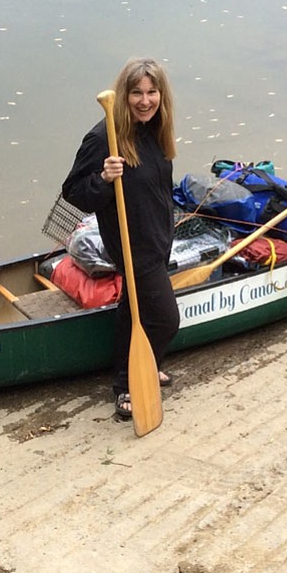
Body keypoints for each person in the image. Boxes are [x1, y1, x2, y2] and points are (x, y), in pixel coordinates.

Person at [62, 57, 180, 418]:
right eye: (136, 93)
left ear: (161, 95)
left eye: (151, 92)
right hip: (133, 245)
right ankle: (130, 384)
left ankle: (137, 370)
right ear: (124, 95)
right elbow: (73, 192)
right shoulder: (105, 137)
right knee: (165, 319)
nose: (145, 101)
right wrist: (103, 179)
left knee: (134, 310)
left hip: (158, 238)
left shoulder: (155, 129)